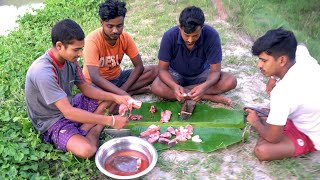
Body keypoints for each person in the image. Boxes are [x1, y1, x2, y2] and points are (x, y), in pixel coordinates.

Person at [25, 19, 134, 159]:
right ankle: (95, 128)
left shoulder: (71, 61)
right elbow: (68, 112)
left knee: (110, 99)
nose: (80, 54)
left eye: (81, 49)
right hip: (52, 120)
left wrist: (116, 97)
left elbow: (87, 89)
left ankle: (87, 127)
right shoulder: (43, 72)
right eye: (76, 49)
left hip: (70, 104)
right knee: (87, 150)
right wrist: (110, 121)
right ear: (59, 46)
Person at [245, 28, 320, 161]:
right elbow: (301, 45)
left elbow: (273, 139)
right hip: (310, 112)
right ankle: (276, 120)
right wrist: (274, 78)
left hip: (311, 132)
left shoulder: (283, 92)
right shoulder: (299, 55)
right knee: (263, 118)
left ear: (282, 60)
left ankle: (307, 143)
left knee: (262, 150)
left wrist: (255, 122)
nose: (259, 65)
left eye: (264, 60)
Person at [151, 6, 237, 105]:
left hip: (202, 74)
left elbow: (215, 71)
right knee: (156, 87)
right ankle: (206, 96)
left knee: (230, 81)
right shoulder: (169, 36)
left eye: (195, 35)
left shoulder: (212, 35)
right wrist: (174, 86)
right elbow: (162, 69)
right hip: (176, 74)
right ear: (180, 27)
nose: (190, 40)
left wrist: (204, 86)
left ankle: (187, 94)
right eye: (186, 35)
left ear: (202, 27)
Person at [82, 0, 158, 97]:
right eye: (110, 26)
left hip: (117, 79)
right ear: (101, 22)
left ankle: (123, 92)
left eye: (119, 26)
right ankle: (130, 91)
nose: (115, 31)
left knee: (154, 70)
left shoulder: (125, 38)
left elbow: (139, 67)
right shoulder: (92, 41)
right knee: (105, 105)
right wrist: (122, 93)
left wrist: (122, 91)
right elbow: (94, 77)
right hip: (96, 84)